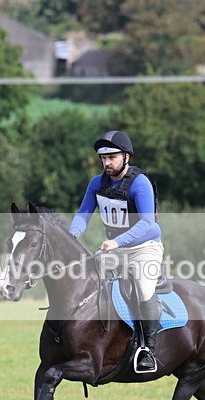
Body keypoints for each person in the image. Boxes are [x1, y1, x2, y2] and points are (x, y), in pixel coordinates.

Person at [69, 130, 164, 373]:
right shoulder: (96, 183)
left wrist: (117, 242)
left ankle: (148, 350)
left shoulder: (139, 183)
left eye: (112, 157)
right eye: (103, 158)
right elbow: (83, 215)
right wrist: (71, 235)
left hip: (143, 248)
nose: (107, 163)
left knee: (143, 288)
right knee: (86, 279)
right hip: (115, 249)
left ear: (126, 157)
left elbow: (148, 224)